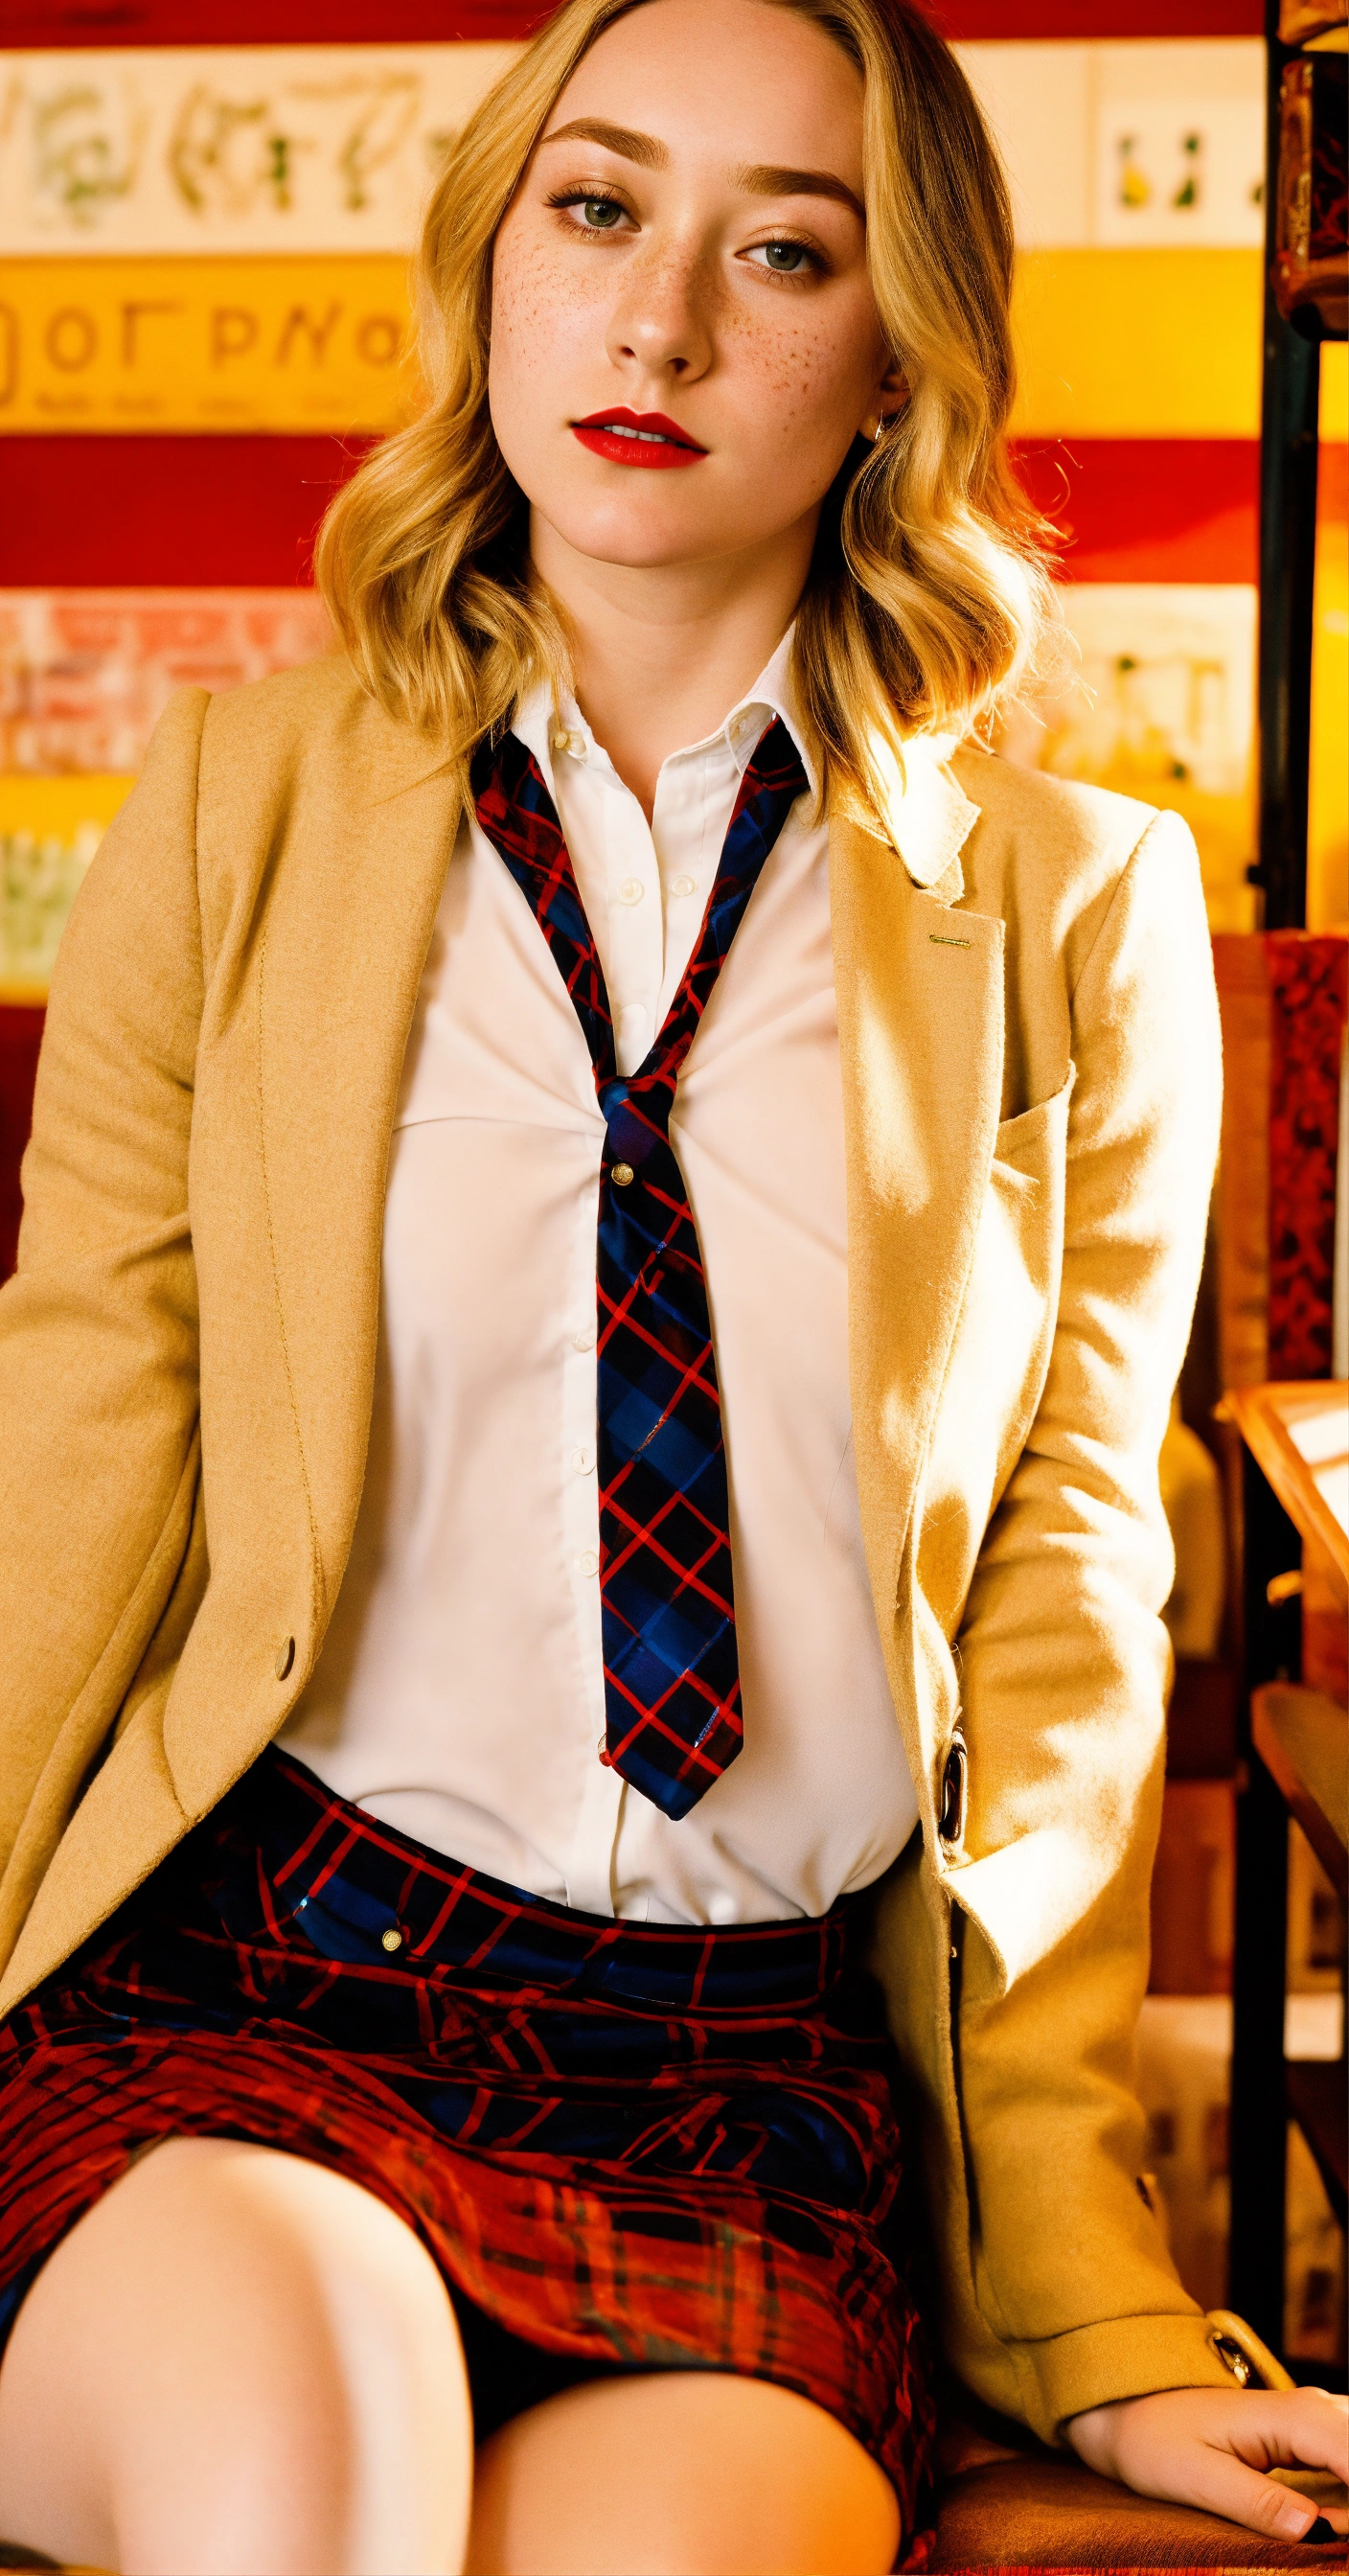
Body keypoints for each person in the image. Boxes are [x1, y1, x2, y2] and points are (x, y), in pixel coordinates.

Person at [0, 0, 1343, 2568]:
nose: (661, 321)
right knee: (304, 2462)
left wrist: (1101, 2328)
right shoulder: (237, 810)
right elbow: (73, 1444)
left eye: (787, 251)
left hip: (737, 2094)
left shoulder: (1078, 911)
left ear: (901, 354)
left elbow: (1062, 1627)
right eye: (600, 207)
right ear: (496, 255)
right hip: (262, 1989)